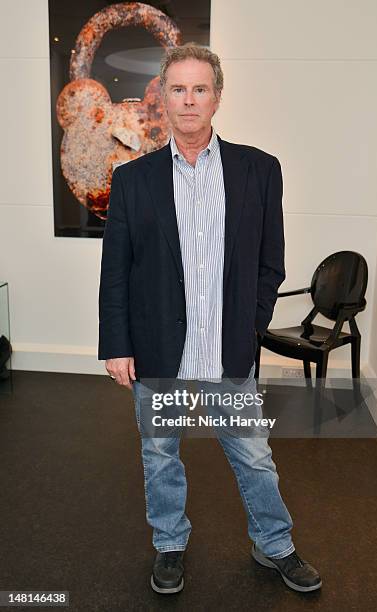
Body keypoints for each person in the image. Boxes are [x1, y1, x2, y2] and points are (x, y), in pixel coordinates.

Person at [98, 43, 321, 595]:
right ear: (163, 99)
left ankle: (276, 546)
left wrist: (251, 326)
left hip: (228, 352)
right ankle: (169, 546)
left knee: (253, 456)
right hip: (157, 352)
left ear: (217, 97)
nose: (189, 99)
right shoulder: (133, 180)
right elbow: (117, 273)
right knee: (160, 455)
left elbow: (272, 263)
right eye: (178, 89)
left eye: (200, 88)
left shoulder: (260, 171)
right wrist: (116, 344)